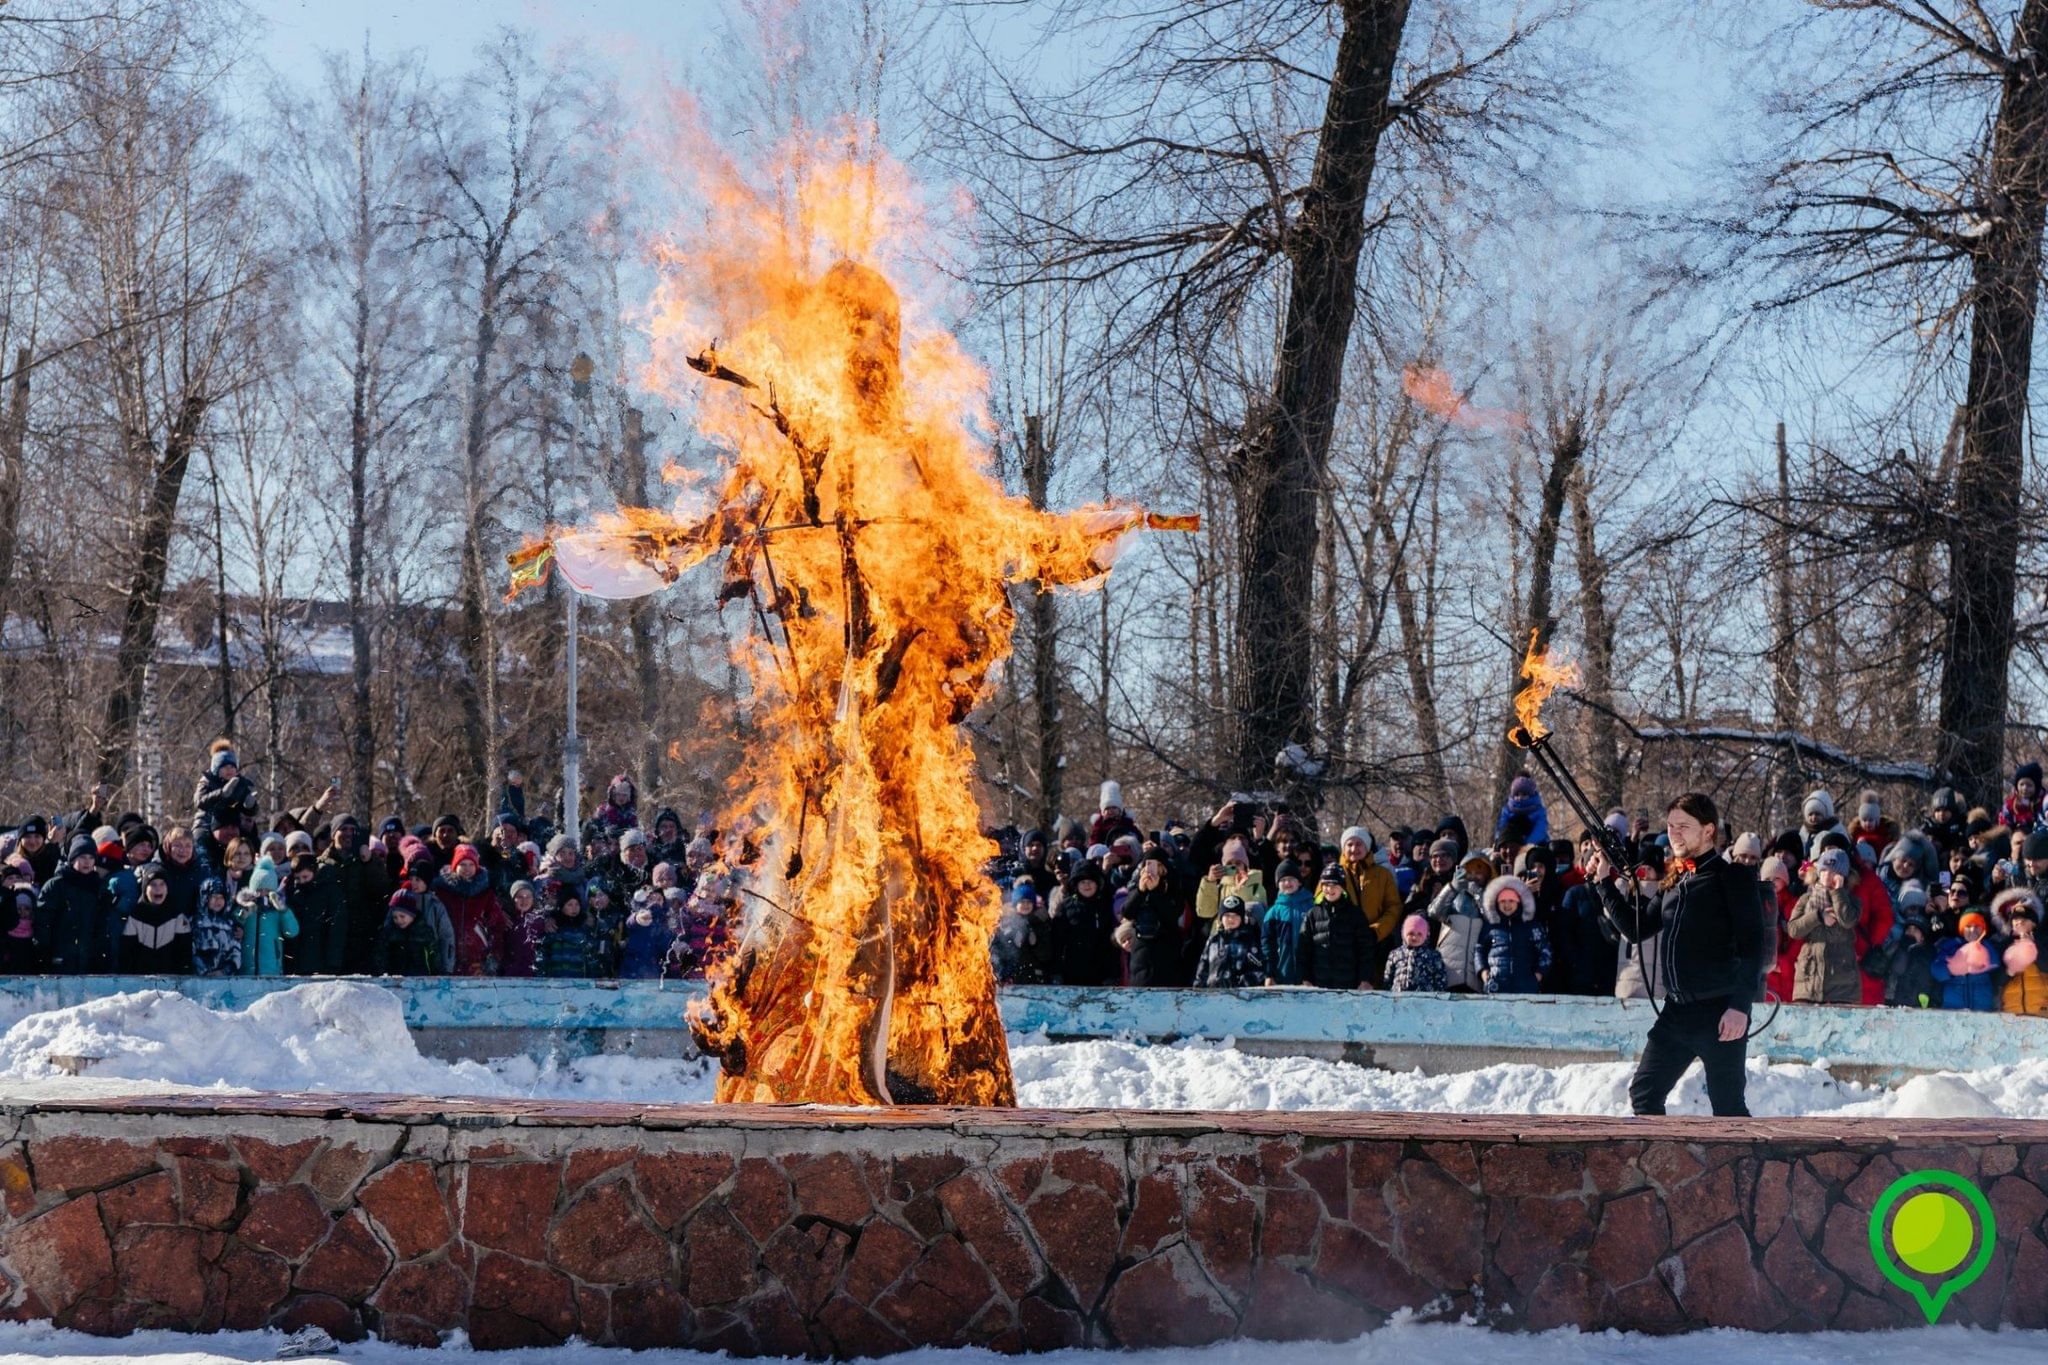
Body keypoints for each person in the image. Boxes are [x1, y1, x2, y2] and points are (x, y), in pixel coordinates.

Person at [1590, 792, 1767, 1118]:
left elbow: (1754, 947)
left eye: (1684, 826)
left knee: (1728, 1108)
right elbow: (1636, 928)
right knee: (1644, 1094)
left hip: (1720, 1011)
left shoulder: (1732, 879)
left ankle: (1742, 1169)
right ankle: (1663, 1167)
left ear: (1708, 830)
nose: (1674, 833)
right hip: (1676, 1013)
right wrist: (1604, 883)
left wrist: (1740, 1007)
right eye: (1671, 826)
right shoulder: (1675, 882)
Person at [1787, 848, 1862, 1004]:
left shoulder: (1852, 901)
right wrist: (1818, 917)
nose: (1828, 875)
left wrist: (1838, 892)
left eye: (1834, 872)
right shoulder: (1806, 899)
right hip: (1808, 981)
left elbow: (1847, 920)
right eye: (1824, 870)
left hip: (1842, 984)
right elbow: (1793, 930)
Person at [37, 835, 111, 974]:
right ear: (73, 859)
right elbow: (43, 922)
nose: (87, 862)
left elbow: (101, 927)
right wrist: (44, 952)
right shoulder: (56, 885)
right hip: (58, 957)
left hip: (87, 958)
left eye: (91, 857)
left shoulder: (99, 888)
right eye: (82, 857)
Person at [434, 843, 512, 977]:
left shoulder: (486, 893)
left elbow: (497, 928)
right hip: (447, 957)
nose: (467, 869)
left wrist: (491, 961)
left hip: (477, 961)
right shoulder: (441, 892)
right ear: (454, 866)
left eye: (471, 864)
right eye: (462, 864)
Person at [1338, 827, 1401, 983]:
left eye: (1359, 844)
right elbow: (1321, 904)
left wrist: (1376, 931)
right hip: (1344, 945)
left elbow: (1394, 907)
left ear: (1367, 847)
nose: (1354, 849)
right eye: (1350, 844)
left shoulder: (1383, 874)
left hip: (1377, 945)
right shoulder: (1333, 873)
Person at [1297, 864, 1372, 990]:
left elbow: (1366, 950)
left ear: (1342, 887)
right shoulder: (1312, 915)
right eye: (1325, 885)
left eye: (1334, 885)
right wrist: (1305, 978)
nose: (1329, 889)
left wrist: (1364, 979)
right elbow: (1303, 951)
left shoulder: (1356, 915)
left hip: (1349, 985)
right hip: (1319, 985)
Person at [1115, 849, 1183, 987]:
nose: (1152, 869)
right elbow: (1127, 913)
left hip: (1166, 951)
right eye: (1149, 864)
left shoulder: (1173, 886)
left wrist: (1155, 891)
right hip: (1141, 951)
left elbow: (1172, 915)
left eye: (1157, 865)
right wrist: (1140, 891)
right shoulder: (1138, 886)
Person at [1049, 860, 1119, 986]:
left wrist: (1112, 974)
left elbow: (1111, 944)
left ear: (1097, 884)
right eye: (1083, 882)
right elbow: (1056, 942)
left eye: (1090, 881)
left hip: (1100, 972)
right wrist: (1056, 972)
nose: (1087, 885)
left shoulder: (1105, 906)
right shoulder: (1065, 906)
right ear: (1076, 885)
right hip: (1072, 970)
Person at [1427, 853, 1491, 992]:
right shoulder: (1454, 896)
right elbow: (1433, 912)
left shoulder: (1491, 898)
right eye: (1469, 869)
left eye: (1480, 869)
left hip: (1476, 973)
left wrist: (1481, 897)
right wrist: (1452, 887)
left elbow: (1492, 921)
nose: (1474, 874)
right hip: (1448, 969)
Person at [1478, 874, 1550, 994]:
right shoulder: (1490, 926)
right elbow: (1479, 950)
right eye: (1503, 901)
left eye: (1511, 900)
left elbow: (1545, 950)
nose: (1507, 905)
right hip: (1496, 987)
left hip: (1526, 988)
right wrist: (1484, 973)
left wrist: (1538, 976)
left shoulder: (1531, 925)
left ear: (1518, 902)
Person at [121, 863, 192, 975]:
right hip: (140, 978)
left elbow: (184, 953)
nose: (158, 888)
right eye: (153, 884)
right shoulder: (136, 915)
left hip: (170, 978)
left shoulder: (177, 916)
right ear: (145, 889)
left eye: (162, 884)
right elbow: (127, 952)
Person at [236, 856, 299, 976]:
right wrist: (244, 911)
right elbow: (234, 924)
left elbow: (292, 932)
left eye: (267, 890)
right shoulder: (246, 908)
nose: (262, 894)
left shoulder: (277, 912)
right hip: (246, 969)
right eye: (259, 890)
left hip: (271, 969)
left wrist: (283, 911)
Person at [192, 741, 259, 847]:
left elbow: (249, 811)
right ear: (216, 769)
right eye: (224, 767)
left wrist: (251, 806)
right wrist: (221, 794)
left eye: (232, 767)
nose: (229, 769)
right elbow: (199, 802)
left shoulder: (240, 782)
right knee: (200, 837)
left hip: (232, 822)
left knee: (250, 837)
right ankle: (202, 861)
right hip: (207, 820)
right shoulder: (207, 781)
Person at [1933, 911, 1998, 1012]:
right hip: (1953, 1008)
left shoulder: (1989, 948)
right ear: (1962, 929)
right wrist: (1951, 970)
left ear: (1983, 929)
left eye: (1977, 926)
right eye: (1968, 926)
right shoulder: (1951, 946)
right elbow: (1936, 970)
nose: (1973, 930)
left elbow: (1997, 969)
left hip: (1982, 1010)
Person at [537, 889, 610, 978]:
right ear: (562, 906)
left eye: (577, 904)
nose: (574, 908)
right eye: (570, 905)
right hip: (556, 979)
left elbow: (591, 957)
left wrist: (594, 977)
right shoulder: (553, 928)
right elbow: (543, 955)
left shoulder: (585, 928)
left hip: (578, 980)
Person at [1194, 897, 1264, 988]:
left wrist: (1242, 982)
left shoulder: (1249, 940)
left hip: (1241, 996)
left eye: (1235, 915)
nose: (1231, 919)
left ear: (1242, 918)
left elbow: (1259, 970)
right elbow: (1203, 966)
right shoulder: (1214, 940)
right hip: (1213, 995)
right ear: (1221, 918)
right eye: (1227, 915)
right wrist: (1198, 986)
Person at [1997, 890, 2048, 1015]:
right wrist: (2009, 971)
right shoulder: (2004, 945)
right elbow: (1996, 981)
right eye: (2015, 919)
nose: (2019, 922)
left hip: (2041, 1012)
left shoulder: (2044, 942)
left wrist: (2034, 947)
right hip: (2012, 1013)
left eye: (2024, 919)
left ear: (2034, 923)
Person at [1262, 859, 1310, 986]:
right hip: (1282, 973)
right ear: (1278, 884)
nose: (1287, 883)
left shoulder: (1312, 907)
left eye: (1291, 879)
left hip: (1308, 975)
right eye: (1283, 880)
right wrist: (1269, 974)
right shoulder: (1273, 913)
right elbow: (1267, 946)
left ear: (1299, 882)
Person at [992, 881, 1050, 985]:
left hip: (1035, 978)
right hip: (1012, 979)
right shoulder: (1006, 925)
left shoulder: (1040, 924)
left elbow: (1046, 956)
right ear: (1015, 904)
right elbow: (999, 953)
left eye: (1028, 902)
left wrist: (1035, 944)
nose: (1025, 905)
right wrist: (1012, 943)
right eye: (1022, 902)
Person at [374, 890, 442, 976]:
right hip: (394, 979)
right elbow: (381, 955)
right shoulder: (389, 932)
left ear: (412, 914)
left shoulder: (424, 932)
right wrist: (383, 973)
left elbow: (434, 955)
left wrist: (435, 974)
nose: (399, 920)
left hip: (419, 978)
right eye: (395, 917)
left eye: (402, 916)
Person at [190, 877, 242, 977]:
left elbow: (235, 950)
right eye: (214, 896)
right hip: (199, 978)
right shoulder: (195, 923)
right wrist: (204, 971)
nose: (218, 900)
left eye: (221, 897)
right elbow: (191, 951)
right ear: (205, 898)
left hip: (224, 978)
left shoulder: (229, 924)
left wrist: (226, 970)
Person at [1384, 915, 1448, 993]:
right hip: (1399, 997)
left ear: (1425, 935)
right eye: (1411, 934)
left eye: (1419, 934)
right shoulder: (1395, 954)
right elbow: (1388, 977)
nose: (1415, 937)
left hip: (1425, 997)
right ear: (1404, 934)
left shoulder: (1433, 956)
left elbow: (1440, 978)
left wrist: (1438, 995)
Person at [1494, 775, 1551, 852]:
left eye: (1524, 795)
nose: (1520, 797)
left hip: (1534, 845)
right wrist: (1500, 841)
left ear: (1530, 795)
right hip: (1511, 844)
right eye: (1517, 795)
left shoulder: (1538, 811)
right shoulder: (1507, 810)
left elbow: (1540, 830)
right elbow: (1501, 828)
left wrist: (1526, 844)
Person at [1847, 790, 1899, 865]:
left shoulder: (1886, 832)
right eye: (1864, 820)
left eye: (1871, 820)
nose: (1867, 823)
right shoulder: (1856, 833)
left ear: (1877, 820)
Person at [2000, 761, 2045, 836]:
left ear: (2036, 787)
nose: (2024, 788)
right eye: (2021, 784)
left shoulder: (2043, 803)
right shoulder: (2010, 805)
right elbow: (2004, 824)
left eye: (2029, 785)